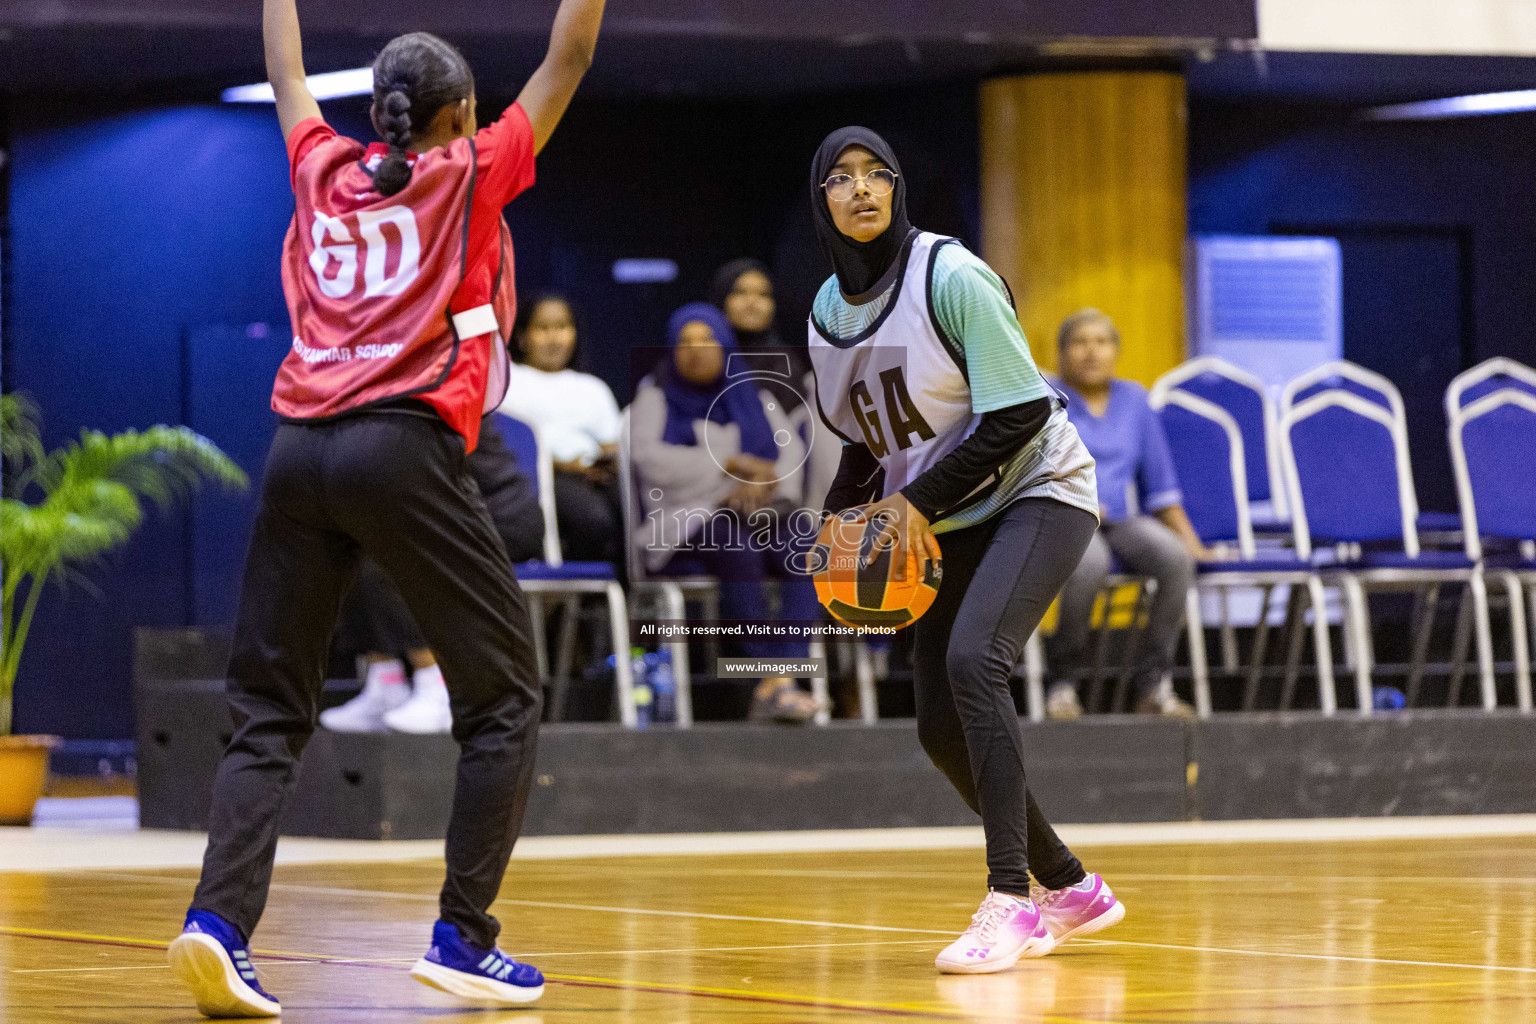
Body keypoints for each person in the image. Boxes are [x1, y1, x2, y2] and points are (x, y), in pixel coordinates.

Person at [166, 0, 604, 1016]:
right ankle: (464, 934)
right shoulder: (470, 170)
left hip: (296, 449)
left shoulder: (320, 164)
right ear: (458, 115)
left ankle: (216, 924)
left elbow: (285, 71)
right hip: (399, 444)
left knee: (268, 706)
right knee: (501, 695)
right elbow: (571, 50)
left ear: (380, 110)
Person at [807, 127, 1124, 974]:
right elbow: (863, 443)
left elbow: (1020, 412)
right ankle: (1071, 885)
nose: (863, 190)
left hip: (1037, 489)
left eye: (880, 174)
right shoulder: (825, 316)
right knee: (939, 726)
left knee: (976, 660)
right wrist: (838, 527)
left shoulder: (951, 275)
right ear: (822, 201)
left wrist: (914, 503)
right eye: (842, 179)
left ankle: (1011, 898)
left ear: (900, 188)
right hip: (948, 519)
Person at [628, 302, 825, 723]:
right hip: (686, 521)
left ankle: (780, 676)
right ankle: (773, 680)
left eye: (707, 339)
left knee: (808, 546)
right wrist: (731, 466)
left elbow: (788, 457)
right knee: (736, 546)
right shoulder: (655, 397)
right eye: (685, 342)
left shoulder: (758, 396)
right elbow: (652, 462)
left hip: (760, 513)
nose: (696, 350)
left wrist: (761, 483)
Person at [324, 413, 547, 734]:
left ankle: (437, 686)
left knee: (397, 543)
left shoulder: (433, 394)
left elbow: (417, 473)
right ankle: (386, 682)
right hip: (445, 509)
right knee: (348, 540)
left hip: (497, 515)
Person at [1047, 308, 1214, 721]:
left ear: (1116, 351)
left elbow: (1162, 488)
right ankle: (1063, 683)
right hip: (1066, 517)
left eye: (1102, 342)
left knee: (1175, 560)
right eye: (1080, 342)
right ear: (1062, 352)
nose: (1091, 351)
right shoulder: (1045, 394)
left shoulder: (1135, 400)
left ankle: (1153, 686)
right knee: (1091, 567)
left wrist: (1194, 546)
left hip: (1122, 518)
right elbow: (1028, 467)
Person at [498, 293, 624, 565]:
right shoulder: (507, 382)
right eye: (543, 328)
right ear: (522, 336)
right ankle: (579, 601)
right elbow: (507, 446)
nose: (554, 338)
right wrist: (565, 466)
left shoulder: (593, 387)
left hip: (595, 475)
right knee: (594, 519)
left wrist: (606, 463)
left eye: (563, 328)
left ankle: (630, 598)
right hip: (542, 478)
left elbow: (611, 442)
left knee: (637, 512)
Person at [711, 259, 841, 514]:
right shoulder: (703, 365)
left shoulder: (789, 367)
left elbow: (798, 444)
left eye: (762, 294)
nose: (752, 302)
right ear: (721, 299)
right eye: (740, 292)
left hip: (784, 490)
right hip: (713, 486)